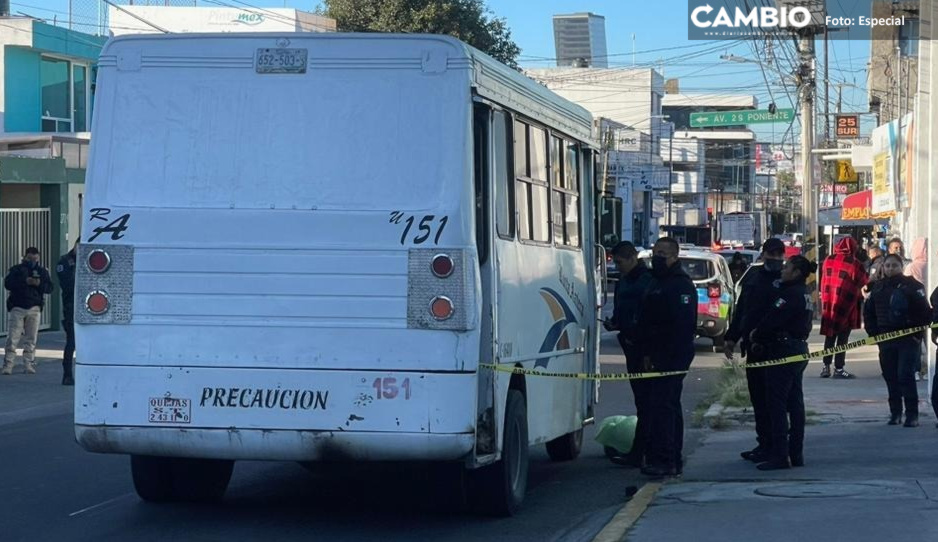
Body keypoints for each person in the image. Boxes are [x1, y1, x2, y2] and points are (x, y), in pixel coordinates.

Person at [748, 256, 817, 470]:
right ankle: (795, 453)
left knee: (776, 404)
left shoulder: (789, 295)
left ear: (796, 272)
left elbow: (771, 322)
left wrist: (756, 335)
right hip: (796, 349)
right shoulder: (804, 292)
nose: (782, 270)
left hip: (783, 350)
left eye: (787, 267)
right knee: (795, 403)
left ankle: (780, 454)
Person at [636, 237, 697, 477]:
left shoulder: (680, 284)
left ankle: (668, 459)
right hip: (657, 354)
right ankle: (660, 456)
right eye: (655, 252)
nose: (657, 257)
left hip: (672, 355)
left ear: (674, 256)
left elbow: (681, 326)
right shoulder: (657, 281)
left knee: (666, 406)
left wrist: (662, 354)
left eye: (662, 253)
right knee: (660, 406)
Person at [724, 238, 787, 464]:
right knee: (759, 400)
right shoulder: (753, 277)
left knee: (776, 402)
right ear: (763, 254)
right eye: (772, 254)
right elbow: (742, 310)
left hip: (778, 348)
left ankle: (778, 448)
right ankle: (764, 444)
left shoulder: (787, 278)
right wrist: (731, 337)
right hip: (754, 349)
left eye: (780, 254)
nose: (776, 258)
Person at [864, 254, 931, 427]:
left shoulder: (912, 286)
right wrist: (874, 334)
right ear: (882, 267)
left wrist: (916, 332)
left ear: (901, 266)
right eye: (887, 266)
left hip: (908, 339)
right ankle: (895, 413)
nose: (890, 269)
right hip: (885, 339)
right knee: (890, 376)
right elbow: (869, 314)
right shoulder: (878, 288)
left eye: (894, 265)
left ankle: (912, 415)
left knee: (905, 375)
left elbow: (924, 312)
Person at [604, 241, 654, 467]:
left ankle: (645, 452)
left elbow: (648, 315)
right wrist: (614, 322)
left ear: (632, 258)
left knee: (648, 403)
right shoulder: (625, 280)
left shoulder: (647, 279)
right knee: (641, 402)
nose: (618, 266)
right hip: (629, 343)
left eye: (620, 262)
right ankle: (641, 451)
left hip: (643, 347)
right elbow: (622, 310)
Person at [819, 237, 868, 379]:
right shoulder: (855, 264)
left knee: (829, 336)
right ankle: (839, 369)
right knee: (842, 338)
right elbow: (863, 281)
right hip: (847, 305)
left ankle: (825, 367)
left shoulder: (828, 260)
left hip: (830, 303)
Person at [3, 247, 54, 375]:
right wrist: (24, 281)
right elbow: (8, 283)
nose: (33, 261)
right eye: (30, 258)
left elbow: (49, 288)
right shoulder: (17, 270)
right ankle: (8, 364)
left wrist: (39, 284)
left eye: (35, 259)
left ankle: (28, 364)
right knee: (13, 338)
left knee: (31, 338)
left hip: (34, 307)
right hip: (18, 306)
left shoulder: (42, 271)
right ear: (25, 257)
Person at [56, 242, 78, 386]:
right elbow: (67, 284)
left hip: (88, 306)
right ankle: (67, 374)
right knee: (71, 341)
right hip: (71, 306)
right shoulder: (64, 261)